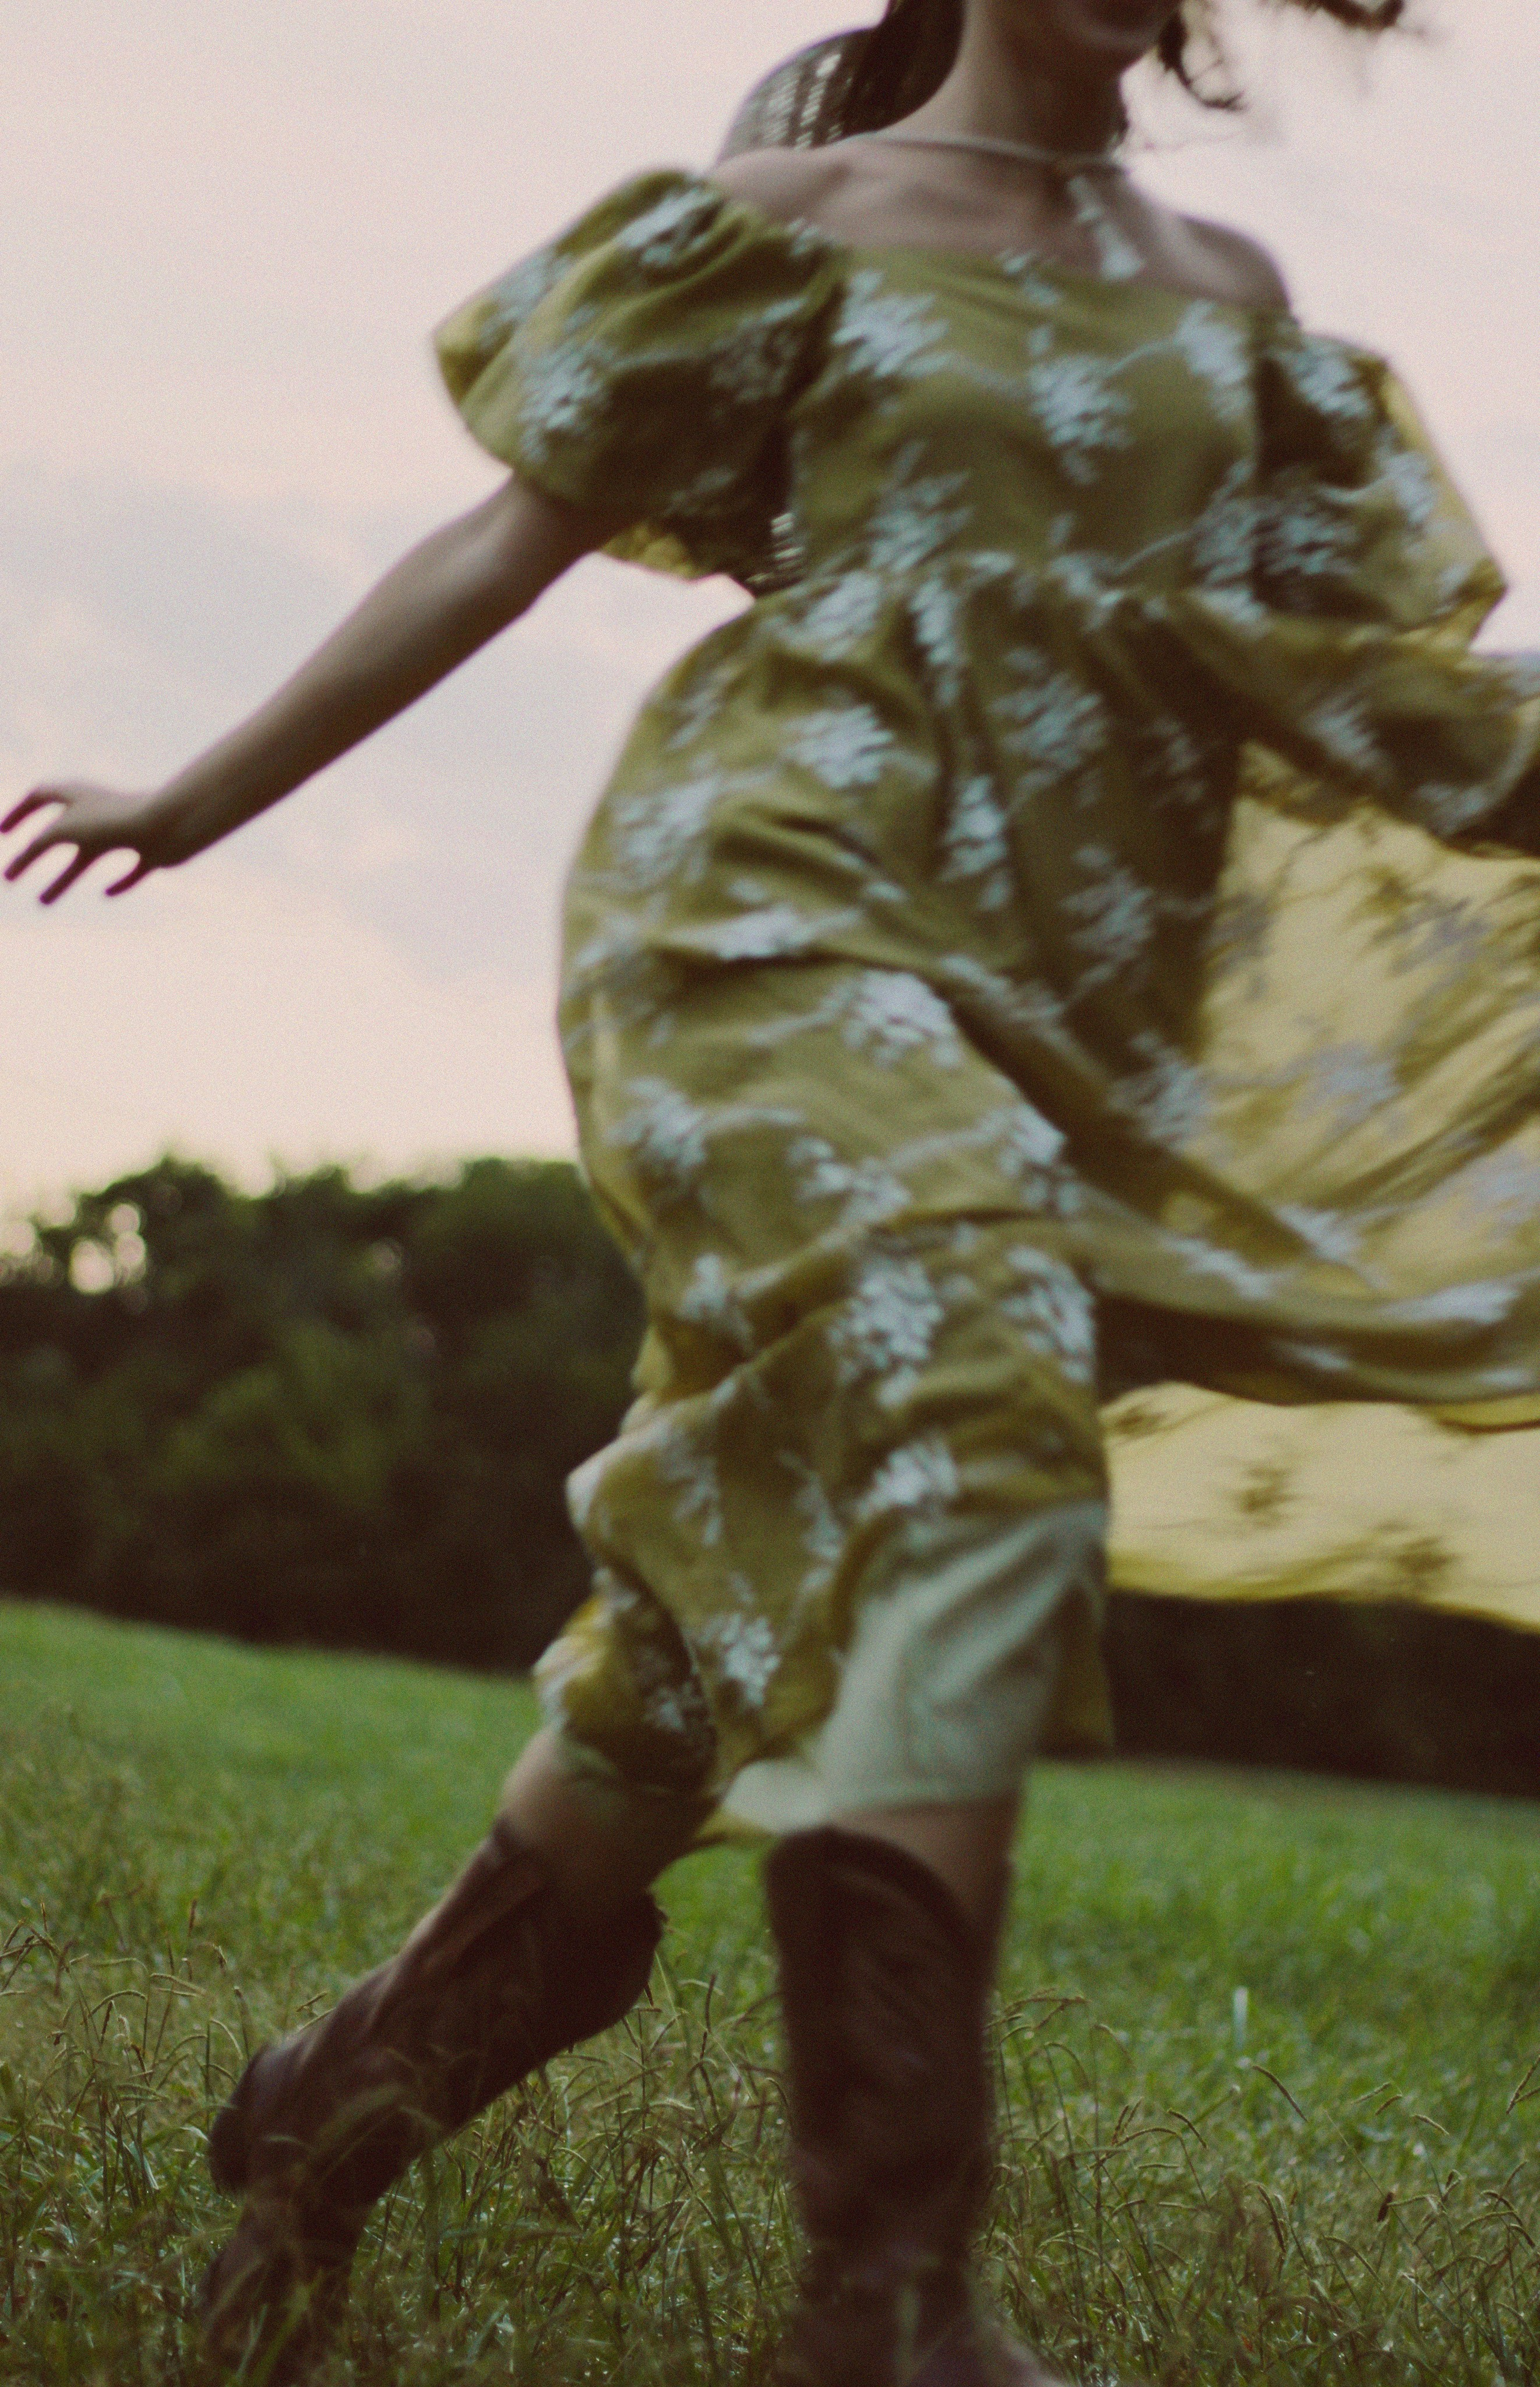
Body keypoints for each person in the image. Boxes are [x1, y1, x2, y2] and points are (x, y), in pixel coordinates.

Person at [11, 0, 1534, 2380]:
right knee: (969, 1412)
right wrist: (190, 798)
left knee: (717, 1640)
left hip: (1053, 1021)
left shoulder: (1230, 304)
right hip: (767, 920)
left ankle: (343, 2091)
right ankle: (890, 2298)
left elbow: (1359, 700)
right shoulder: (784, 230)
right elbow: (492, 537)